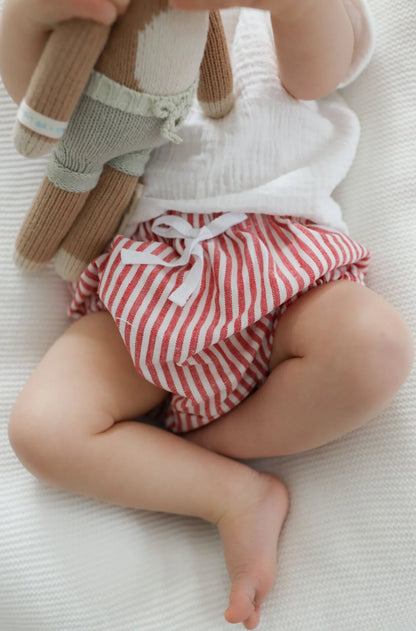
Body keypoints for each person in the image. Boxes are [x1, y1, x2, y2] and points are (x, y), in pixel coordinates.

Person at [2, 0, 413, 629]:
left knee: (375, 344)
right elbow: (42, 97)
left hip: (285, 268)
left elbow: (317, 74)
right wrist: (30, 19)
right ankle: (232, 493)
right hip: (149, 274)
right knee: (43, 430)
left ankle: (209, 446)